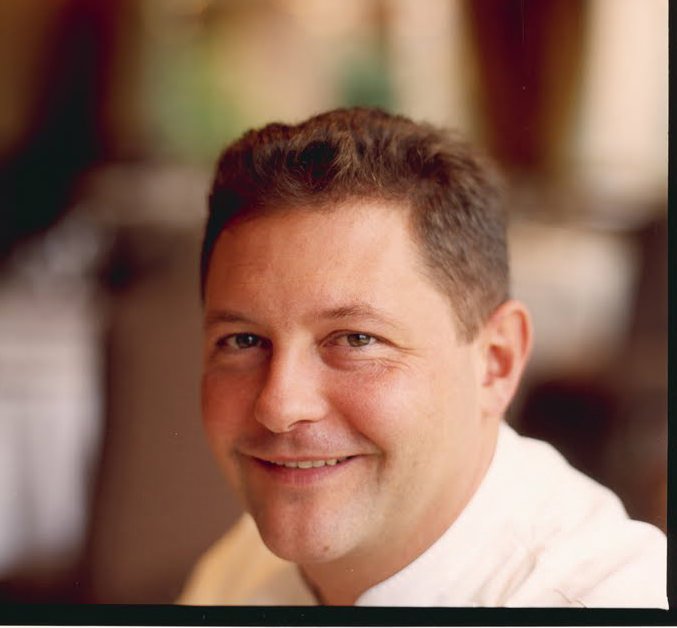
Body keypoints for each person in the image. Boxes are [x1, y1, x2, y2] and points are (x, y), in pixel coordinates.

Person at [178, 107, 667, 607]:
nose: (279, 407)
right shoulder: (242, 566)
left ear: (496, 361)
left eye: (356, 339)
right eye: (243, 340)